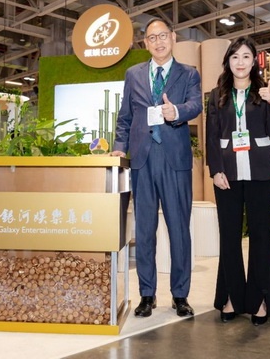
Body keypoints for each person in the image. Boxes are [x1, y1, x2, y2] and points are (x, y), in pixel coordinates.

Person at [110, 18, 202, 318]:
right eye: (152, 37)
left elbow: (196, 104)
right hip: (142, 161)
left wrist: (177, 111)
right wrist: (120, 146)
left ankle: (180, 295)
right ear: (145, 43)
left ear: (173, 38)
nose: (158, 41)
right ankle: (147, 295)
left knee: (179, 229)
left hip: (175, 161)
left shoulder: (189, 73)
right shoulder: (133, 74)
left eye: (163, 36)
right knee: (145, 230)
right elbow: (125, 116)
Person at [205, 38, 270, 325]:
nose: (240, 62)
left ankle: (260, 299)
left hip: (261, 173)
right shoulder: (217, 95)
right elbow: (212, 136)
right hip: (227, 174)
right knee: (229, 237)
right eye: (235, 56)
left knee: (261, 237)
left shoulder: (265, 91)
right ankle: (230, 297)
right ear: (228, 61)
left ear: (254, 61)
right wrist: (216, 170)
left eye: (246, 56)